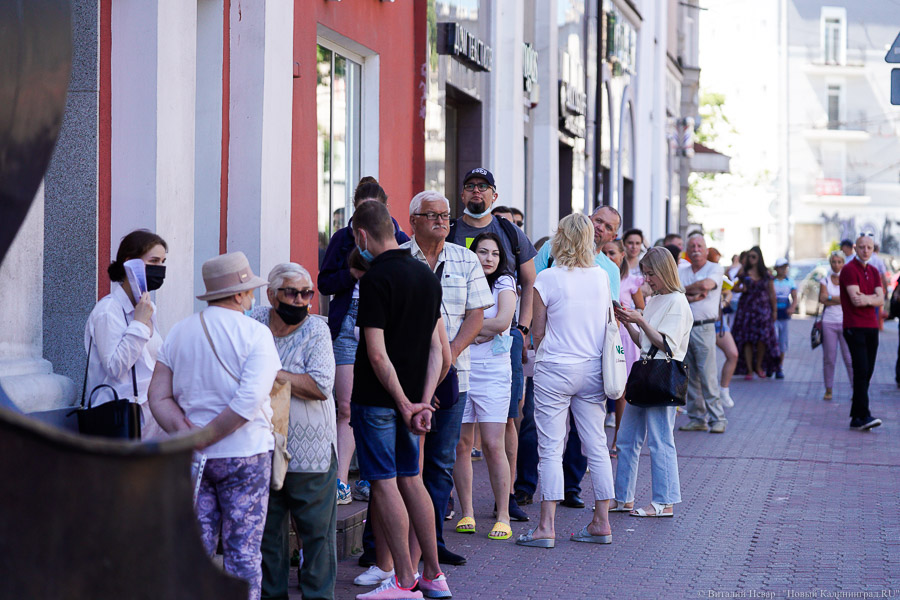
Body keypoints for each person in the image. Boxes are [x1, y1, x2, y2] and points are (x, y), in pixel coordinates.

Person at [148, 251, 282, 600]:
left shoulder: (179, 332)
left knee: (194, 551)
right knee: (244, 553)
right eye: (249, 291)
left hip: (191, 459)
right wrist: (209, 435)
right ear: (239, 294)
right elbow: (248, 402)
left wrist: (188, 434)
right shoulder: (256, 335)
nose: (252, 297)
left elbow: (158, 396)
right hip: (246, 454)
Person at [349, 200, 452, 600]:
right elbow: (438, 352)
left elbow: (375, 353)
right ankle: (433, 574)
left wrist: (406, 404)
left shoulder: (376, 279)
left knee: (385, 482)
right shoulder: (426, 276)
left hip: (378, 400)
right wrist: (421, 401)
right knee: (412, 479)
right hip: (412, 399)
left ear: (361, 235)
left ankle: (405, 580)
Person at [399, 190, 493, 567]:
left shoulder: (466, 258)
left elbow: (476, 316)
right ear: (414, 221)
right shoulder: (398, 259)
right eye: (432, 214)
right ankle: (387, 548)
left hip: (456, 375)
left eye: (445, 215)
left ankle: (432, 544)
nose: (441, 220)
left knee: (439, 463)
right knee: (402, 463)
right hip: (405, 378)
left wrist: (446, 358)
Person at [516, 213, 615, 549]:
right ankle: (601, 521)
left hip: (556, 367)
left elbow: (539, 332)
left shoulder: (547, 278)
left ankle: (546, 527)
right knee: (597, 445)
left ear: (559, 237)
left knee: (550, 447)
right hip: (592, 368)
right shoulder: (601, 276)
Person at [447, 168, 537, 525]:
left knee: (508, 421)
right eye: (469, 186)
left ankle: (508, 498)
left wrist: (524, 327)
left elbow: (529, 282)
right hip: (457, 347)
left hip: (503, 345)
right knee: (459, 432)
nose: (475, 193)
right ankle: (456, 503)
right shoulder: (451, 231)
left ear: (493, 195)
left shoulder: (509, 232)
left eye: (482, 188)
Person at [318, 177, 410, 505]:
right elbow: (324, 283)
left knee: (379, 405)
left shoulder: (398, 239)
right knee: (346, 405)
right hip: (347, 326)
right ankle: (341, 479)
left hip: (383, 329)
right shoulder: (343, 239)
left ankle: (373, 476)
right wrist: (352, 275)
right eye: (361, 214)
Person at [255, 264, 337, 600]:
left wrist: (267, 371)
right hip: (261, 447)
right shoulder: (254, 321)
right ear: (271, 294)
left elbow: (319, 384)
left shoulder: (317, 329)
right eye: (292, 293)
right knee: (267, 539)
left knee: (317, 541)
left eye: (308, 294)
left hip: (310, 453)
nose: (302, 300)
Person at [611, 247, 693, 517]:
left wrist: (639, 321)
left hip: (662, 375)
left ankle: (664, 502)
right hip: (648, 372)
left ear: (664, 271)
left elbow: (667, 344)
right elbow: (646, 343)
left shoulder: (677, 302)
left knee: (660, 439)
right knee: (626, 438)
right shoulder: (658, 299)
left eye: (651, 274)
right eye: (645, 274)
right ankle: (624, 498)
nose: (647, 280)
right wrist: (629, 323)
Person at [452, 232, 517, 541]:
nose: (489, 258)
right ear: (472, 254)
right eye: (482, 252)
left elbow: (504, 322)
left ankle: (503, 514)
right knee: (461, 445)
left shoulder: (505, 284)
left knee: (493, 444)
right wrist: (477, 331)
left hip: (493, 371)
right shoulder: (461, 280)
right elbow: (450, 321)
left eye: (494, 253)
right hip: (461, 365)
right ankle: (467, 512)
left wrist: (470, 327)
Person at [84, 229, 168, 439]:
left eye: (163, 262)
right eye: (154, 261)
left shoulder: (148, 307)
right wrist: (139, 324)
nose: (159, 269)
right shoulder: (108, 311)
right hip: (120, 418)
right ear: (131, 263)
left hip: (150, 420)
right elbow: (115, 367)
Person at [677, 234, 727, 434]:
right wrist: (692, 293)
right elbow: (675, 291)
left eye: (700, 246)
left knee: (707, 375)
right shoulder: (682, 270)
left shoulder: (715, 268)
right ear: (687, 251)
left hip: (705, 327)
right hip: (684, 328)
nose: (696, 249)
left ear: (707, 250)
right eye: (692, 246)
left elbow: (706, 286)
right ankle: (697, 418)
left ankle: (718, 418)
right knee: (689, 376)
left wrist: (685, 291)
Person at [839, 234, 883, 431]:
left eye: (869, 248)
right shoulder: (849, 269)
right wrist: (871, 298)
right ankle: (863, 415)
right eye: (862, 247)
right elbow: (855, 299)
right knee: (861, 369)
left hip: (872, 326)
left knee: (868, 370)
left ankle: (857, 415)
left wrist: (869, 299)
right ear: (855, 248)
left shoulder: (874, 271)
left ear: (873, 250)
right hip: (854, 325)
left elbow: (881, 299)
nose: (866, 251)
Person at [601, 239, 644, 441]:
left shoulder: (631, 281)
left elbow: (642, 310)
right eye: (604, 253)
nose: (608, 258)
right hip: (602, 335)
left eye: (612, 253)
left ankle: (619, 440)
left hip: (625, 337)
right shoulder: (597, 276)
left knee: (622, 390)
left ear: (621, 256)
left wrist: (625, 314)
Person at [730, 246, 779, 379]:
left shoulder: (766, 273)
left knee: (762, 339)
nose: (751, 259)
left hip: (763, 310)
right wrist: (742, 289)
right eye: (749, 256)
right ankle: (749, 370)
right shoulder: (744, 272)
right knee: (747, 340)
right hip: (746, 309)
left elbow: (772, 293)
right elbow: (733, 286)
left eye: (753, 257)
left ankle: (759, 366)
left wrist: (774, 311)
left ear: (759, 258)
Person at [819, 251, 853, 401]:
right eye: (834, 262)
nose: (837, 265)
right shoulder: (824, 281)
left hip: (846, 322)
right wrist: (841, 298)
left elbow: (851, 299)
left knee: (849, 358)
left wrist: (831, 298)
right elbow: (823, 299)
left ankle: (855, 389)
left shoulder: (848, 280)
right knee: (829, 357)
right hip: (829, 322)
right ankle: (828, 389)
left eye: (840, 262)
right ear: (830, 263)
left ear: (844, 263)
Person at [772, 258, 798, 380]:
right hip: (773, 315)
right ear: (776, 269)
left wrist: (792, 307)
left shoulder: (790, 282)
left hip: (784, 315)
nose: (783, 270)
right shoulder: (772, 282)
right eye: (781, 267)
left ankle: (779, 367)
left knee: (782, 341)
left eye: (785, 267)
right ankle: (771, 365)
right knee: (773, 340)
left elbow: (794, 297)